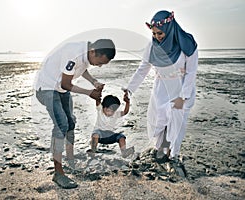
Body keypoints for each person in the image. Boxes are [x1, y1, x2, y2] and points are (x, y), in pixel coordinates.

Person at [35, 39, 116, 189]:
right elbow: (66, 84)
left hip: (59, 87)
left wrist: (94, 82)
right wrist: (89, 92)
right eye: (100, 62)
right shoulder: (74, 53)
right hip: (46, 87)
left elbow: (81, 68)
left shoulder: (87, 52)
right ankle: (58, 173)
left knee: (71, 122)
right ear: (93, 52)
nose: (99, 65)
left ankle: (70, 159)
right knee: (61, 125)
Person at [125, 10, 198, 162]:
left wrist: (182, 97)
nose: (157, 37)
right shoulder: (152, 47)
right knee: (160, 121)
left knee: (176, 123)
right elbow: (142, 69)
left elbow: (191, 73)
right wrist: (130, 89)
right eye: (154, 34)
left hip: (181, 90)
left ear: (169, 29)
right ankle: (162, 150)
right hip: (161, 90)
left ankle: (173, 155)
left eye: (160, 33)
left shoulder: (187, 43)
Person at [87, 91, 135, 158]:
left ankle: (124, 152)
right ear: (104, 107)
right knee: (95, 134)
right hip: (100, 135)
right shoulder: (100, 110)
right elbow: (98, 100)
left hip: (110, 135)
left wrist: (127, 102)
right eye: (108, 110)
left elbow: (125, 112)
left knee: (121, 137)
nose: (110, 113)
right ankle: (93, 150)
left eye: (112, 111)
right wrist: (99, 90)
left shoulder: (115, 114)